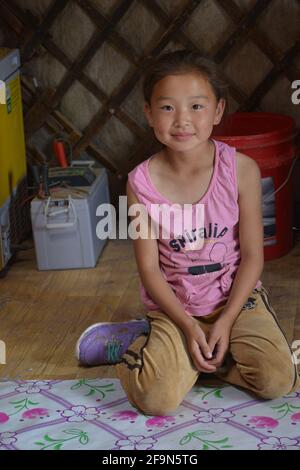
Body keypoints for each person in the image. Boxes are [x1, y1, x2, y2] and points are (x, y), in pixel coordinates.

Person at [75, 50, 299, 416]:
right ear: (148, 113)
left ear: (218, 111)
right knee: (155, 400)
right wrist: (187, 325)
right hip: (175, 307)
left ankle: (198, 362)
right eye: (167, 108)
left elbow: (254, 255)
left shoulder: (241, 170)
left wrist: (225, 322)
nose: (182, 120)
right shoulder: (140, 182)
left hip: (237, 302)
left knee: (279, 381)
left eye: (196, 106)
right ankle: (134, 342)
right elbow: (149, 269)